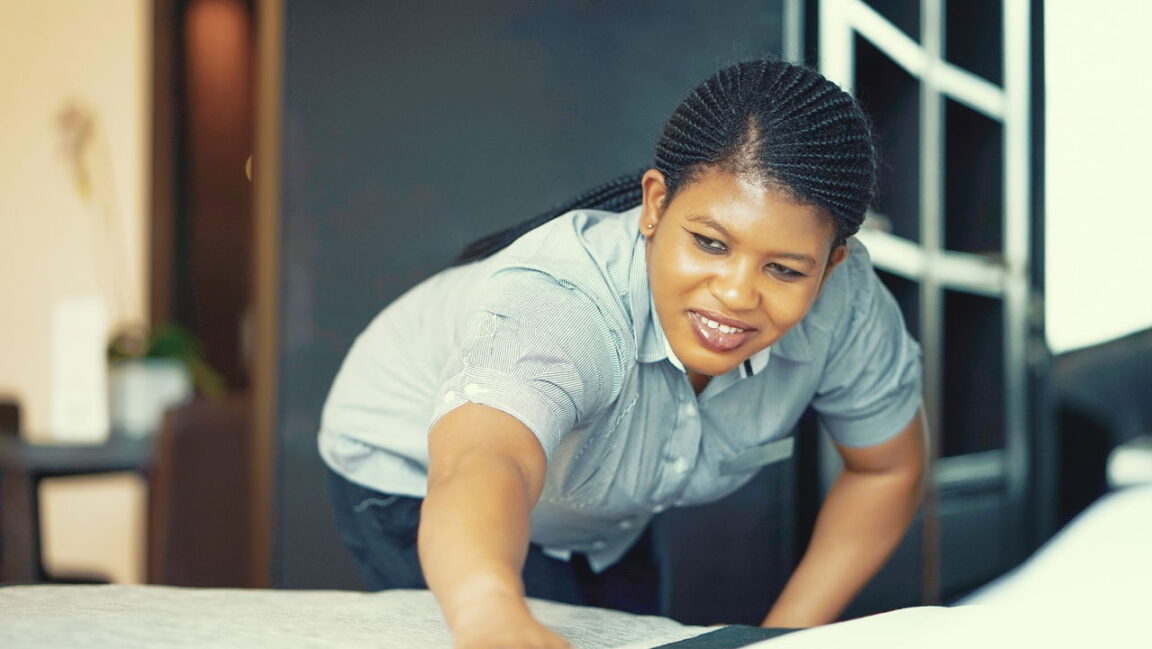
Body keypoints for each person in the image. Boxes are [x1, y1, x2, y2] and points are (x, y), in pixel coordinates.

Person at [319, 59, 926, 649]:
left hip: (599, 501)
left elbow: (886, 468)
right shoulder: (564, 301)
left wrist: (776, 642)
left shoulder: (847, 305)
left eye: (785, 270)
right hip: (416, 469)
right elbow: (483, 459)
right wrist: (489, 614)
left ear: (832, 264)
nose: (737, 295)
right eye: (710, 243)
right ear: (656, 204)